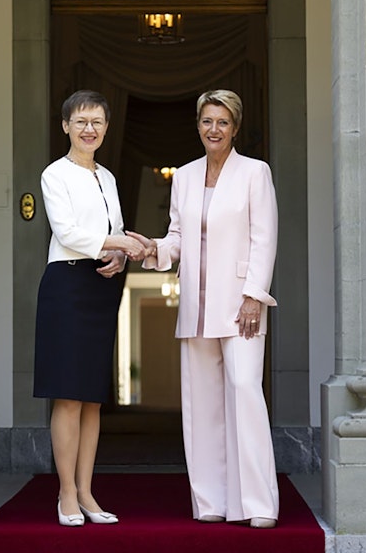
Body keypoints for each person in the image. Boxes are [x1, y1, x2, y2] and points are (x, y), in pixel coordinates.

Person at [127, 89, 279, 529]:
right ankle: (210, 501)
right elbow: (176, 237)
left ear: (235, 127)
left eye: (223, 122)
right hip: (194, 305)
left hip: (240, 306)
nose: (214, 129)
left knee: (246, 393)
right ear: (198, 125)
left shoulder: (255, 172)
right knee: (202, 407)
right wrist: (151, 248)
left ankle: (258, 505)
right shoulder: (186, 177)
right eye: (207, 121)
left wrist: (254, 294)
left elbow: (264, 237)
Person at [33, 89, 146, 527]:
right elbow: (69, 231)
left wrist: (118, 255)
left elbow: (111, 230)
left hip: (101, 286)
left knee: (93, 398)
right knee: (69, 394)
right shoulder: (54, 175)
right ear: (66, 126)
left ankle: (86, 492)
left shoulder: (111, 178)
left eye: (97, 121)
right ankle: (64, 494)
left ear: (106, 127)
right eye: (81, 121)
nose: (89, 129)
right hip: (66, 285)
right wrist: (122, 243)